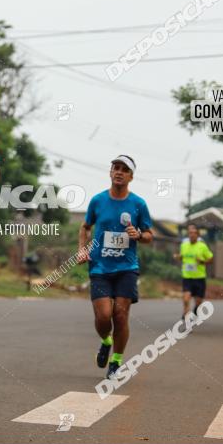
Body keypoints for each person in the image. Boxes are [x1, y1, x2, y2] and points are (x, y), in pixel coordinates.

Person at [78, 155, 154, 379]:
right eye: (115, 168)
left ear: (131, 176)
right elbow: (85, 227)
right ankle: (106, 340)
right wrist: (82, 249)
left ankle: (116, 361)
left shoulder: (138, 204)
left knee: (120, 315)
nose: (119, 172)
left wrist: (139, 234)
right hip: (100, 267)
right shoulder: (98, 201)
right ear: (110, 172)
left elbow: (150, 235)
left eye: (124, 169)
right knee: (103, 316)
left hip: (127, 268)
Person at [173, 224, 214, 321]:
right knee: (186, 299)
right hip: (187, 277)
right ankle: (187, 319)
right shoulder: (184, 246)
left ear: (198, 235)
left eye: (194, 233)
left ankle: (195, 311)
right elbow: (182, 256)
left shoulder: (202, 246)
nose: (192, 235)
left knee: (199, 301)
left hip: (199, 277)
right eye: (190, 233)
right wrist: (178, 257)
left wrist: (202, 261)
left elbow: (211, 259)